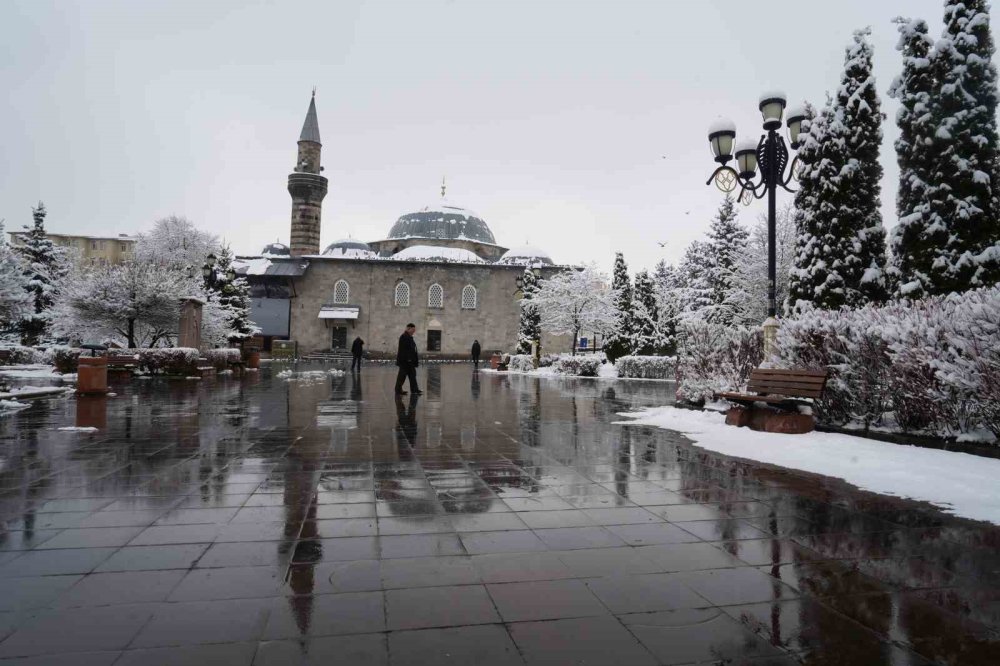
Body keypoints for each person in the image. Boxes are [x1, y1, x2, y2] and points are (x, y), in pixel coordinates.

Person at [395, 323, 422, 395]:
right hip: (405, 362)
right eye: (413, 330)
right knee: (402, 377)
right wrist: (408, 359)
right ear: (408, 328)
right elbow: (404, 350)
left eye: (414, 330)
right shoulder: (404, 337)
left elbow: (412, 349)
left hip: (410, 361)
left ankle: (414, 390)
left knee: (412, 376)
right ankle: (398, 390)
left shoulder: (409, 337)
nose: (414, 331)